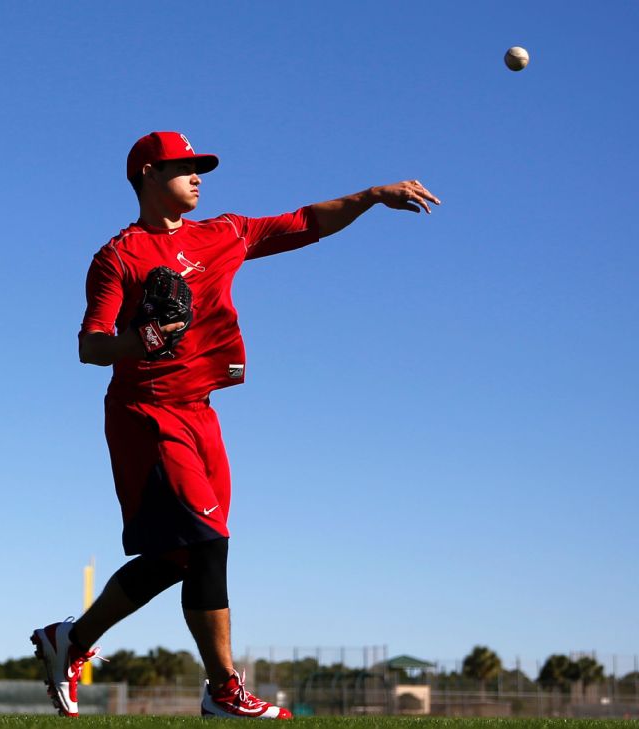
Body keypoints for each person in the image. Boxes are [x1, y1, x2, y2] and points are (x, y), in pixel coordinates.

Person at [30, 131, 440, 719]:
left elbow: (304, 222)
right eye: (184, 167)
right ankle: (223, 691)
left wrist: (372, 195)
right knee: (207, 543)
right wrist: (139, 340)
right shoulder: (118, 256)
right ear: (147, 174)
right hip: (145, 412)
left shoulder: (222, 234)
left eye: (201, 168)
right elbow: (90, 347)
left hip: (200, 412)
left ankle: (68, 639)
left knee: (181, 557)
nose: (198, 176)